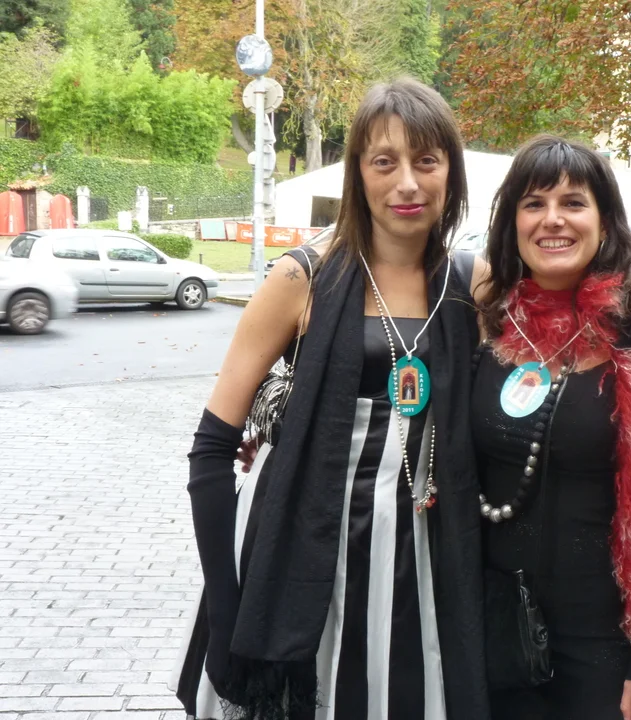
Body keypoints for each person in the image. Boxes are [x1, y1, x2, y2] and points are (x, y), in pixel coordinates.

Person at [173, 78, 489, 720]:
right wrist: (229, 609)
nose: (407, 183)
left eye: (427, 161)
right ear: (357, 173)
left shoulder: (472, 284)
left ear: (451, 172)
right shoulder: (301, 277)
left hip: (425, 564)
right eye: (385, 162)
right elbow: (210, 451)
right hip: (299, 556)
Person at [473, 136, 631, 720]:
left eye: (573, 202)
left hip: (602, 642)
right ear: (512, 222)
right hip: (491, 629)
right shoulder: (486, 324)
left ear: (603, 221)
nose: (553, 219)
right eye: (534, 203)